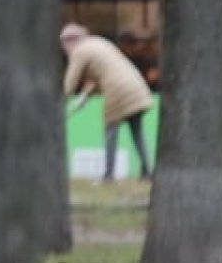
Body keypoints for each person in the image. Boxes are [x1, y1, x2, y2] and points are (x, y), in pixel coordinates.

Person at [60, 23, 154, 181]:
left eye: (64, 42)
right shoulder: (99, 43)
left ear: (71, 40)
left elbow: (71, 81)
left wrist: (62, 97)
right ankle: (147, 171)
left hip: (118, 91)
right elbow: (101, 73)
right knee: (137, 133)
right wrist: (83, 96)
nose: (64, 47)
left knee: (110, 131)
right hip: (136, 87)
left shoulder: (80, 51)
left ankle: (108, 175)